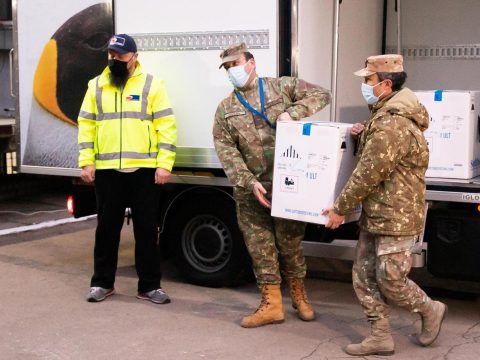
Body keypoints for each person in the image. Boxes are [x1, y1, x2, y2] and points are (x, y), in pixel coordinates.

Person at [323, 54, 447, 356]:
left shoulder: (391, 124)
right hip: (378, 212)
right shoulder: (382, 118)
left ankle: (429, 309)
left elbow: (368, 173)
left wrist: (340, 209)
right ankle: (380, 336)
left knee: (391, 280)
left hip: (397, 215)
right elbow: (381, 158)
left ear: (386, 84)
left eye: (369, 80)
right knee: (363, 276)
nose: (365, 85)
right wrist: (363, 133)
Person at [212, 42, 330, 328]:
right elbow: (226, 150)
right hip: (252, 191)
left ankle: (300, 297)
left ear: (251, 63)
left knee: (290, 245)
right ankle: (271, 305)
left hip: (287, 186)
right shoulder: (226, 108)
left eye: (235, 64)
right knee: (260, 248)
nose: (232, 71)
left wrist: (294, 113)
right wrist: (249, 182)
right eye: (227, 68)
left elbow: (321, 94)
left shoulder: (280, 88)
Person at [78, 34, 177, 304]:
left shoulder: (152, 85)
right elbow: (86, 125)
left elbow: (166, 126)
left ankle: (149, 286)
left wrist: (164, 164)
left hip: (144, 171)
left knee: (146, 231)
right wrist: (86, 161)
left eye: (121, 56)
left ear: (135, 56)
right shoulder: (96, 85)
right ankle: (102, 283)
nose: (115, 60)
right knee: (106, 230)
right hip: (107, 171)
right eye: (112, 55)